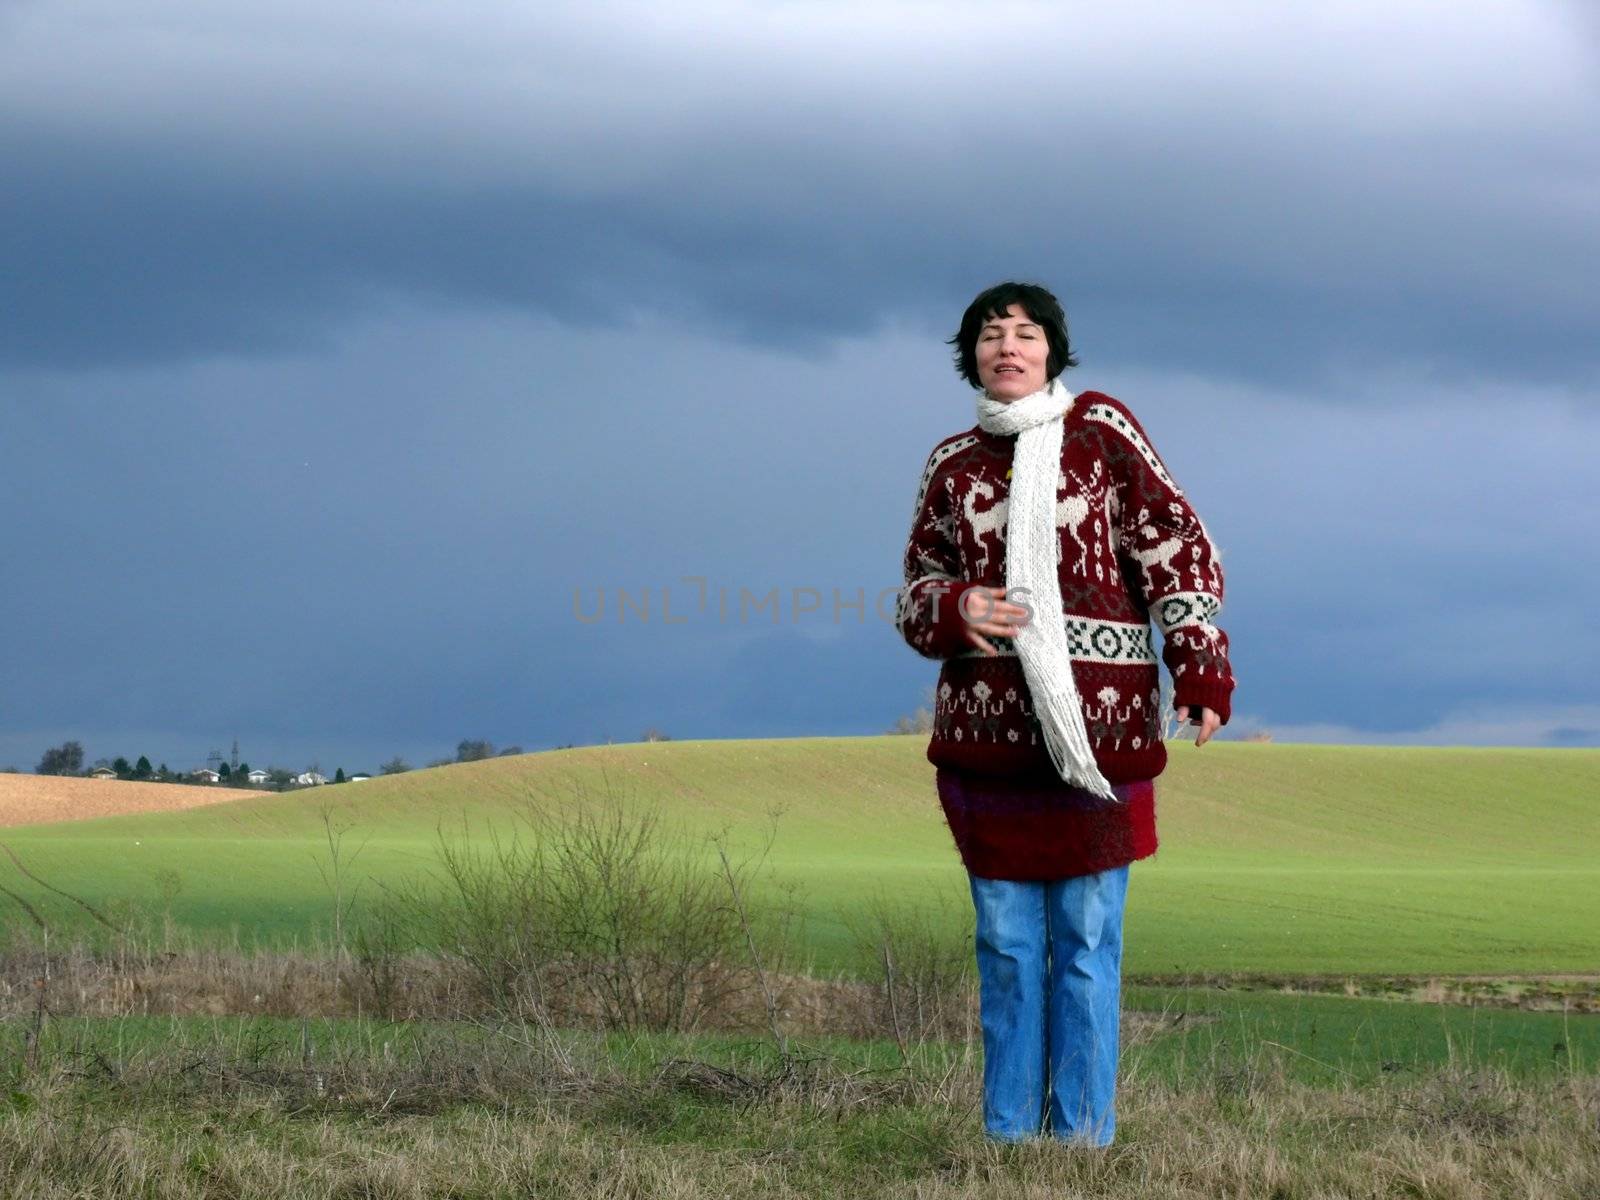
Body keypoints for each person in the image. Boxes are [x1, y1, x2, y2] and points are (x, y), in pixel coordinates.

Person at [894, 280, 1235, 1146]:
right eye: (990, 335)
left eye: (1026, 333)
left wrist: (1200, 664)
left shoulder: (1102, 435)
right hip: (989, 747)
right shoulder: (950, 465)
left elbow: (1177, 545)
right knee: (1008, 953)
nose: (1008, 347)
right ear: (969, 354)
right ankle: (1009, 1140)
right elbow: (914, 593)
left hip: (1098, 747)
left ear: (1054, 350)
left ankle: (1082, 1140)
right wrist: (955, 608)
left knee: (1086, 952)